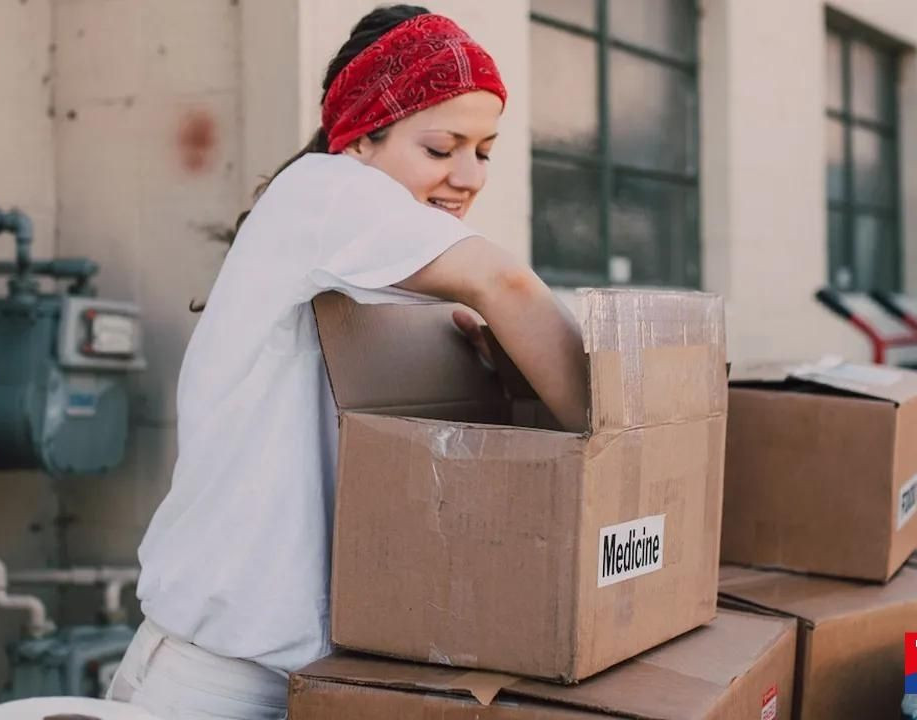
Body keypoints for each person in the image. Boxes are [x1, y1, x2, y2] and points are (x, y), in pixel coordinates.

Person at [107, 6, 588, 719]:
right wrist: (626, 455)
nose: (468, 174)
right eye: (441, 147)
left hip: (322, 677)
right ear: (361, 138)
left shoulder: (392, 258)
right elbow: (509, 284)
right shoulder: (324, 191)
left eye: (484, 150)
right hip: (218, 680)